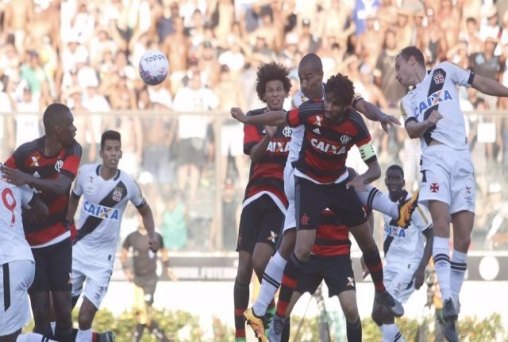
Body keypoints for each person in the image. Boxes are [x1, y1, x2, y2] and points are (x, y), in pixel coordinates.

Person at [237, 53, 418, 342]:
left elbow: (372, 161)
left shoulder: (351, 116)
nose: (303, 83)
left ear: (320, 76)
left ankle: (383, 290)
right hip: (303, 177)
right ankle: (273, 317)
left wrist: (380, 121)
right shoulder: (308, 108)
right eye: (300, 78)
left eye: (307, 77)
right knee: (296, 246)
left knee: (365, 238)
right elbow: (280, 117)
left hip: (335, 182)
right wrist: (249, 118)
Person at [395, 45, 508, 341]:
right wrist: (426, 123)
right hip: (434, 160)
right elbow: (410, 130)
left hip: (462, 159)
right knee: (441, 223)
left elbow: (480, 83)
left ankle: (453, 304)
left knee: (465, 236)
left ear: (412, 61)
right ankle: (446, 297)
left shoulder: (445, 71)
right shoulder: (407, 100)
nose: (396, 76)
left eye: (399, 68)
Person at [66, 130, 160, 342]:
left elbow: (145, 210)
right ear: (101, 152)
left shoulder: (127, 184)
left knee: (84, 317)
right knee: (63, 314)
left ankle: (93, 337)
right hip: (78, 252)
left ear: (121, 153)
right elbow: (73, 197)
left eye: (117, 149)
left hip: (103, 259)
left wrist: (152, 235)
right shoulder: (85, 174)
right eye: (109, 149)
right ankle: (99, 339)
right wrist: (68, 222)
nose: (113, 153)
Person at [2, 103, 81, 342]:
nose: (74, 129)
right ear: (56, 129)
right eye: (70, 124)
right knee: (42, 315)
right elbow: (4, 175)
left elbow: (61, 186)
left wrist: (26, 179)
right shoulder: (26, 153)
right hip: (31, 246)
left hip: (59, 239)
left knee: (64, 312)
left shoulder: (73, 150)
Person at [232, 62, 292, 342]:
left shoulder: (293, 120)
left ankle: (271, 320)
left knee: (260, 260)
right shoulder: (255, 118)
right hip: (255, 196)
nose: (276, 94)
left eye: (279, 89)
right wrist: (267, 137)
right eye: (270, 90)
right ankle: (239, 335)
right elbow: (254, 156)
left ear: (285, 92)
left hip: (280, 200)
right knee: (243, 268)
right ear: (263, 94)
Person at [370, 164, 433, 341]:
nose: (393, 182)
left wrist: (421, 269)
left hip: (409, 266)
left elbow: (431, 234)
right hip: (390, 266)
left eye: (397, 178)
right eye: (390, 178)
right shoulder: (384, 203)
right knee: (376, 314)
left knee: (386, 311)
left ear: (403, 182)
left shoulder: (413, 205)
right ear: (386, 180)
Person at [285, 207, 362, 342]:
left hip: (338, 256)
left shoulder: (347, 186)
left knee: (351, 309)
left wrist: (367, 251)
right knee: (283, 308)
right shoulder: (306, 186)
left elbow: (368, 213)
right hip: (308, 255)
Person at [0, 167, 49, 342]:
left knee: (8, 338)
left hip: (8, 263)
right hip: (21, 258)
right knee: (11, 334)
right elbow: (43, 210)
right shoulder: (11, 176)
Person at [121, 223, 177, 342]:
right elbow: (123, 253)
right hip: (138, 280)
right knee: (143, 314)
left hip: (151, 280)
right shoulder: (132, 237)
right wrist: (126, 270)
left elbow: (164, 253)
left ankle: (138, 339)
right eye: (140, 216)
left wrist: (169, 269)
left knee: (145, 309)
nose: (142, 219)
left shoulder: (156, 236)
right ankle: (164, 339)